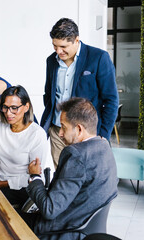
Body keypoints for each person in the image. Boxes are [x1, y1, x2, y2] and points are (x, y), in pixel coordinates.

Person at [22, 97, 118, 240]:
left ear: (79, 129)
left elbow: (50, 210)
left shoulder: (76, 155)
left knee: (6, 216)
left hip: (62, 231)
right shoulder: (104, 146)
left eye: (63, 127)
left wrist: (35, 177)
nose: (60, 133)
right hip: (84, 226)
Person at [40, 18, 119, 167]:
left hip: (86, 134)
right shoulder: (51, 61)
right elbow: (48, 95)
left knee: (86, 179)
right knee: (62, 176)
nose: (58, 51)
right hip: (58, 131)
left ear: (76, 40)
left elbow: (111, 100)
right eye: (55, 46)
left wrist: (103, 135)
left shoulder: (99, 58)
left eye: (63, 46)